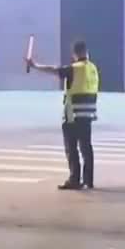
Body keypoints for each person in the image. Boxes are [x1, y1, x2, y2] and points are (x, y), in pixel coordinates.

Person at [27, 40, 100, 190]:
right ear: (87, 52)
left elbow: (54, 70)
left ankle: (74, 179)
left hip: (73, 115)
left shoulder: (74, 68)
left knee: (71, 148)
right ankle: (88, 180)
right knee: (86, 147)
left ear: (74, 54)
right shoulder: (92, 68)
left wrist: (35, 66)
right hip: (88, 115)